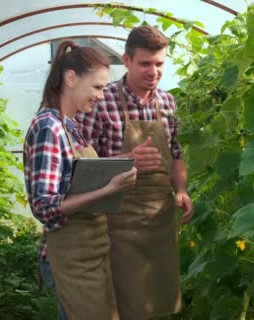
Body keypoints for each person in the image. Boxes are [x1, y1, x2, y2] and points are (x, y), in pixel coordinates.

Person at [75, 25, 194, 319]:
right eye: (145, 63)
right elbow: (81, 165)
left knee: (159, 302)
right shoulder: (101, 102)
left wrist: (180, 190)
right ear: (126, 60)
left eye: (159, 64)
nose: (153, 71)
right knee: (123, 303)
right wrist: (127, 159)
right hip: (118, 220)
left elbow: (177, 155)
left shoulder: (168, 103)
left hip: (160, 220)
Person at [23, 40, 137, 320]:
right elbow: (44, 206)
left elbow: (73, 173)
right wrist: (109, 189)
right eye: (97, 87)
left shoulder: (70, 127)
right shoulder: (49, 127)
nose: (101, 95)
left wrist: (122, 161)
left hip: (89, 253)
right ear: (71, 78)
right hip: (70, 257)